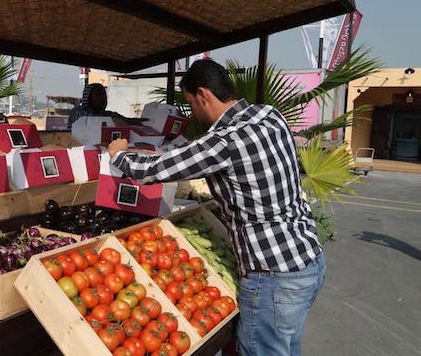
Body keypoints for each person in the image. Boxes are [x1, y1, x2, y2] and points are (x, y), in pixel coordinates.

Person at [108, 59, 325, 356]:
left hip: (272, 275)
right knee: (286, 348)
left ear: (203, 95)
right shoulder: (269, 115)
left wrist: (119, 155)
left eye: (190, 104)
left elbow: (154, 171)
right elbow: (195, 154)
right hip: (308, 260)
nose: (193, 113)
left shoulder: (226, 141)